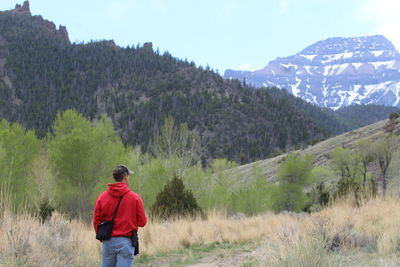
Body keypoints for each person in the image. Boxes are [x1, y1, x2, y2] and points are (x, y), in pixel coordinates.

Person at [93, 164, 147, 267]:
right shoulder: (135, 198)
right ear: (125, 176)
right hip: (126, 242)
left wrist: (103, 239)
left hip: (107, 242)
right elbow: (142, 222)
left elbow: (96, 221)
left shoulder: (102, 197)